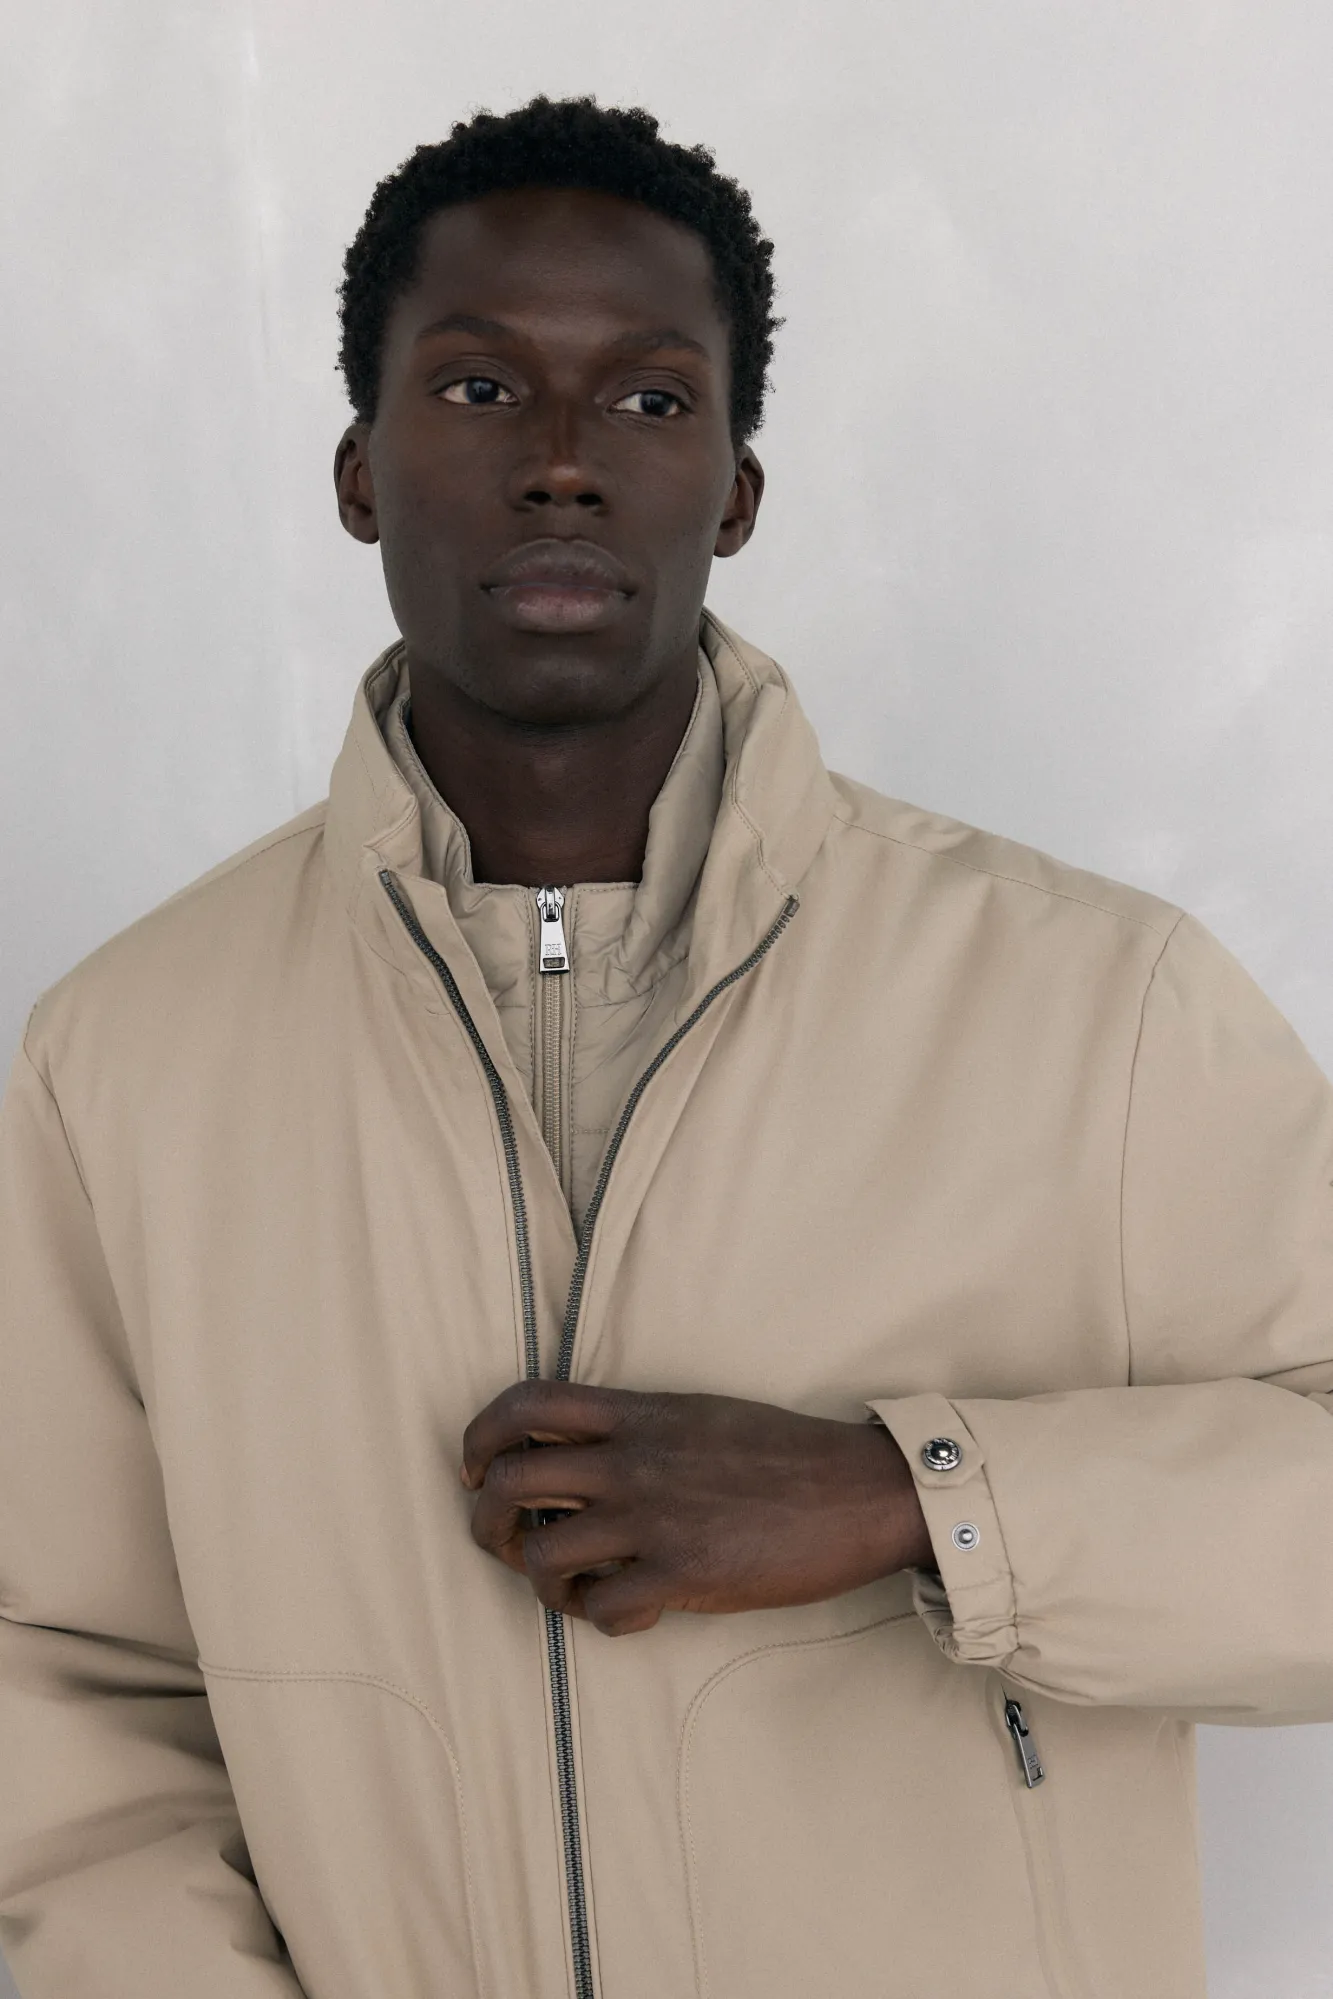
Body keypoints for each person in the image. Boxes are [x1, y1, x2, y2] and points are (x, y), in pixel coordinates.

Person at [1, 91, 1331, 1999]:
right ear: (360, 470)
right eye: (478, 389)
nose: (561, 462)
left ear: (736, 489)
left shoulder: (1101, 1007)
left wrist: (911, 1497)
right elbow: (59, 1703)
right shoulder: (124, 1066)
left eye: (645, 397)